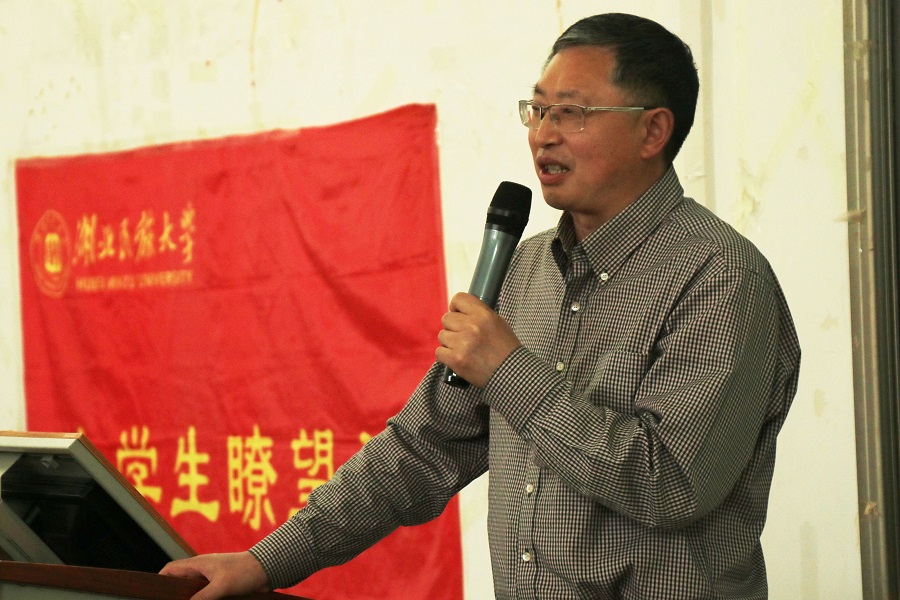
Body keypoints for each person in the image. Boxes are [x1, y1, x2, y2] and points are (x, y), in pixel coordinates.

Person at [162, 12, 800, 599]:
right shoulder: (525, 267)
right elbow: (423, 446)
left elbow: (672, 483)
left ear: (652, 130)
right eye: (537, 110)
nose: (543, 135)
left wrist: (509, 373)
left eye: (571, 113)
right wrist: (266, 562)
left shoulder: (720, 276)